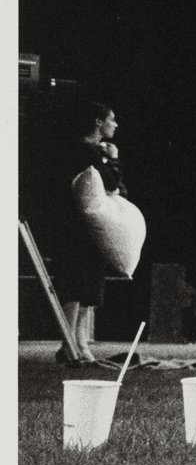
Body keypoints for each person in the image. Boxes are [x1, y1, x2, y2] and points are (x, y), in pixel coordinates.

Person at [53, 101, 124, 364]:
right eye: (111, 119)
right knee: (76, 285)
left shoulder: (93, 150)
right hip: (76, 227)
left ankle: (80, 343)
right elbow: (112, 182)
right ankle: (69, 344)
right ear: (98, 121)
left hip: (91, 227)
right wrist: (114, 158)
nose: (115, 124)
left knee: (88, 289)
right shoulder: (82, 150)